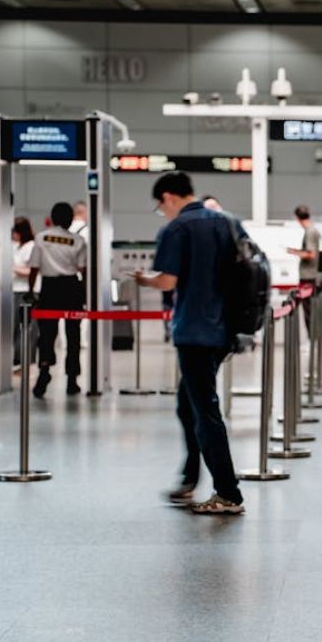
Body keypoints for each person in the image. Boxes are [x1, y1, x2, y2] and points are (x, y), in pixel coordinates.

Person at [133, 171, 245, 516]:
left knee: (205, 412)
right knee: (188, 405)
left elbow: (168, 282)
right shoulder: (227, 223)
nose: (162, 212)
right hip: (224, 329)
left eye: (160, 206)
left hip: (194, 331)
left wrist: (143, 280)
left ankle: (228, 493)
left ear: (168, 197)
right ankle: (189, 477)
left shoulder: (177, 228)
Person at [28, 203, 87, 398]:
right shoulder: (78, 240)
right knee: (73, 336)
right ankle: (72, 380)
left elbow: (34, 268)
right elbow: (82, 270)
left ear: (52, 218)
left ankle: (44, 373)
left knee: (46, 335)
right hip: (71, 288)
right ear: (70, 219)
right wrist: (85, 294)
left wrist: (31, 291)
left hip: (49, 289)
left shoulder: (41, 237)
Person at [286, 205, 322, 333]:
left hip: (308, 276)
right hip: (311, 275)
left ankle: (312, 340)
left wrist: (295, 253)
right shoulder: (313, 230)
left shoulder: (310, 232)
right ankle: (313, 340)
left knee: (309, 311)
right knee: (309, 310)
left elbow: (311, 254)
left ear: (297, 218)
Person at [12, 216, 37, 367]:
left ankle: (26, 360)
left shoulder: (31, 246)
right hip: (14, 289)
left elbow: (31, 270)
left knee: (27, 327)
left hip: (25, 290)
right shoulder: (16, 246)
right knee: (15, 326)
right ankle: (16, 358)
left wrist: (13, 268)